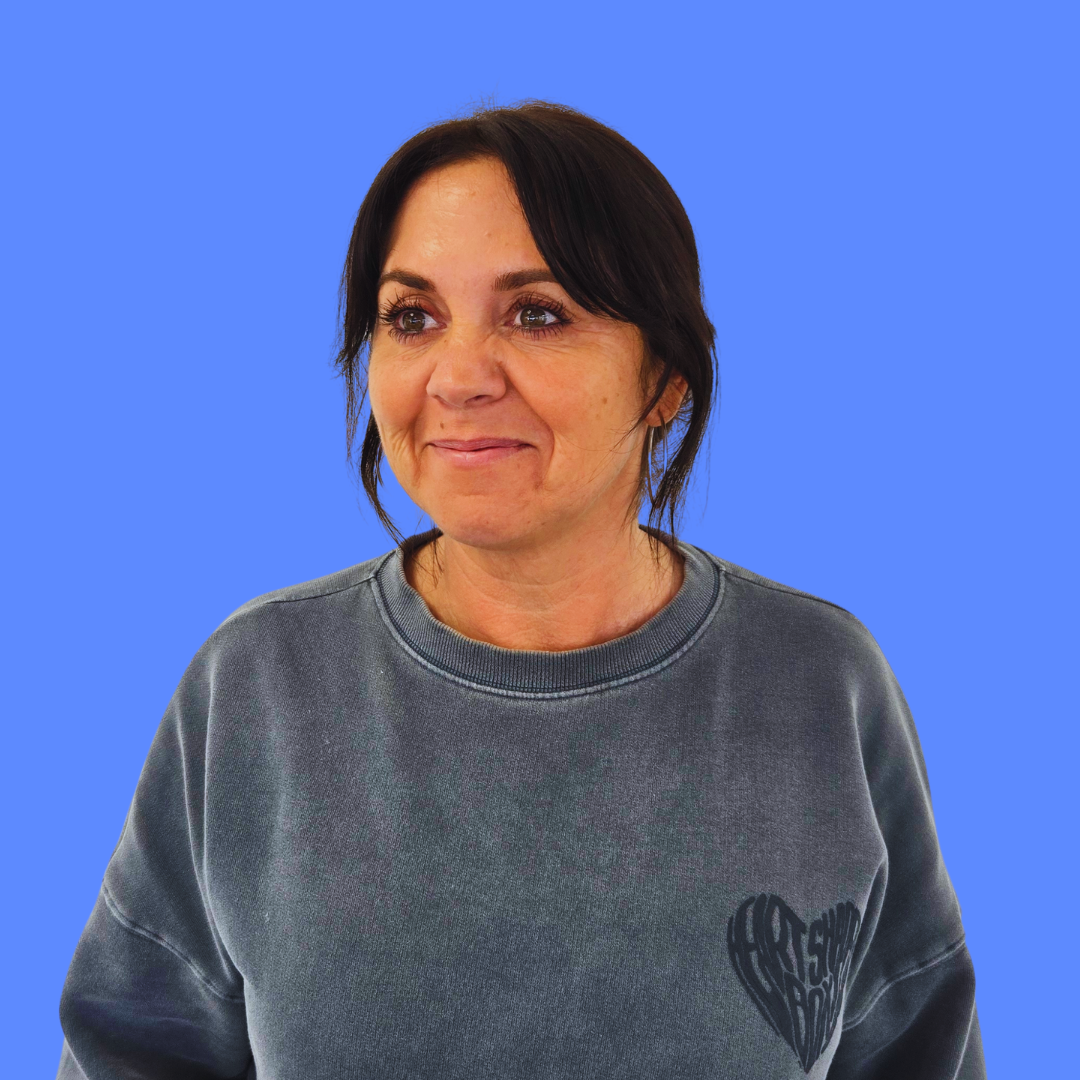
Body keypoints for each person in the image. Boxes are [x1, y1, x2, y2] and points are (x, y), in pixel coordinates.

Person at [56, 101, 984, 1079]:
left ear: (667, 376)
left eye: (537, 314)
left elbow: (917, 1048)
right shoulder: (256, 686)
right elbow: (131, 1052)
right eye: (411, 318)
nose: (457, 377)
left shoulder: (820, 683)